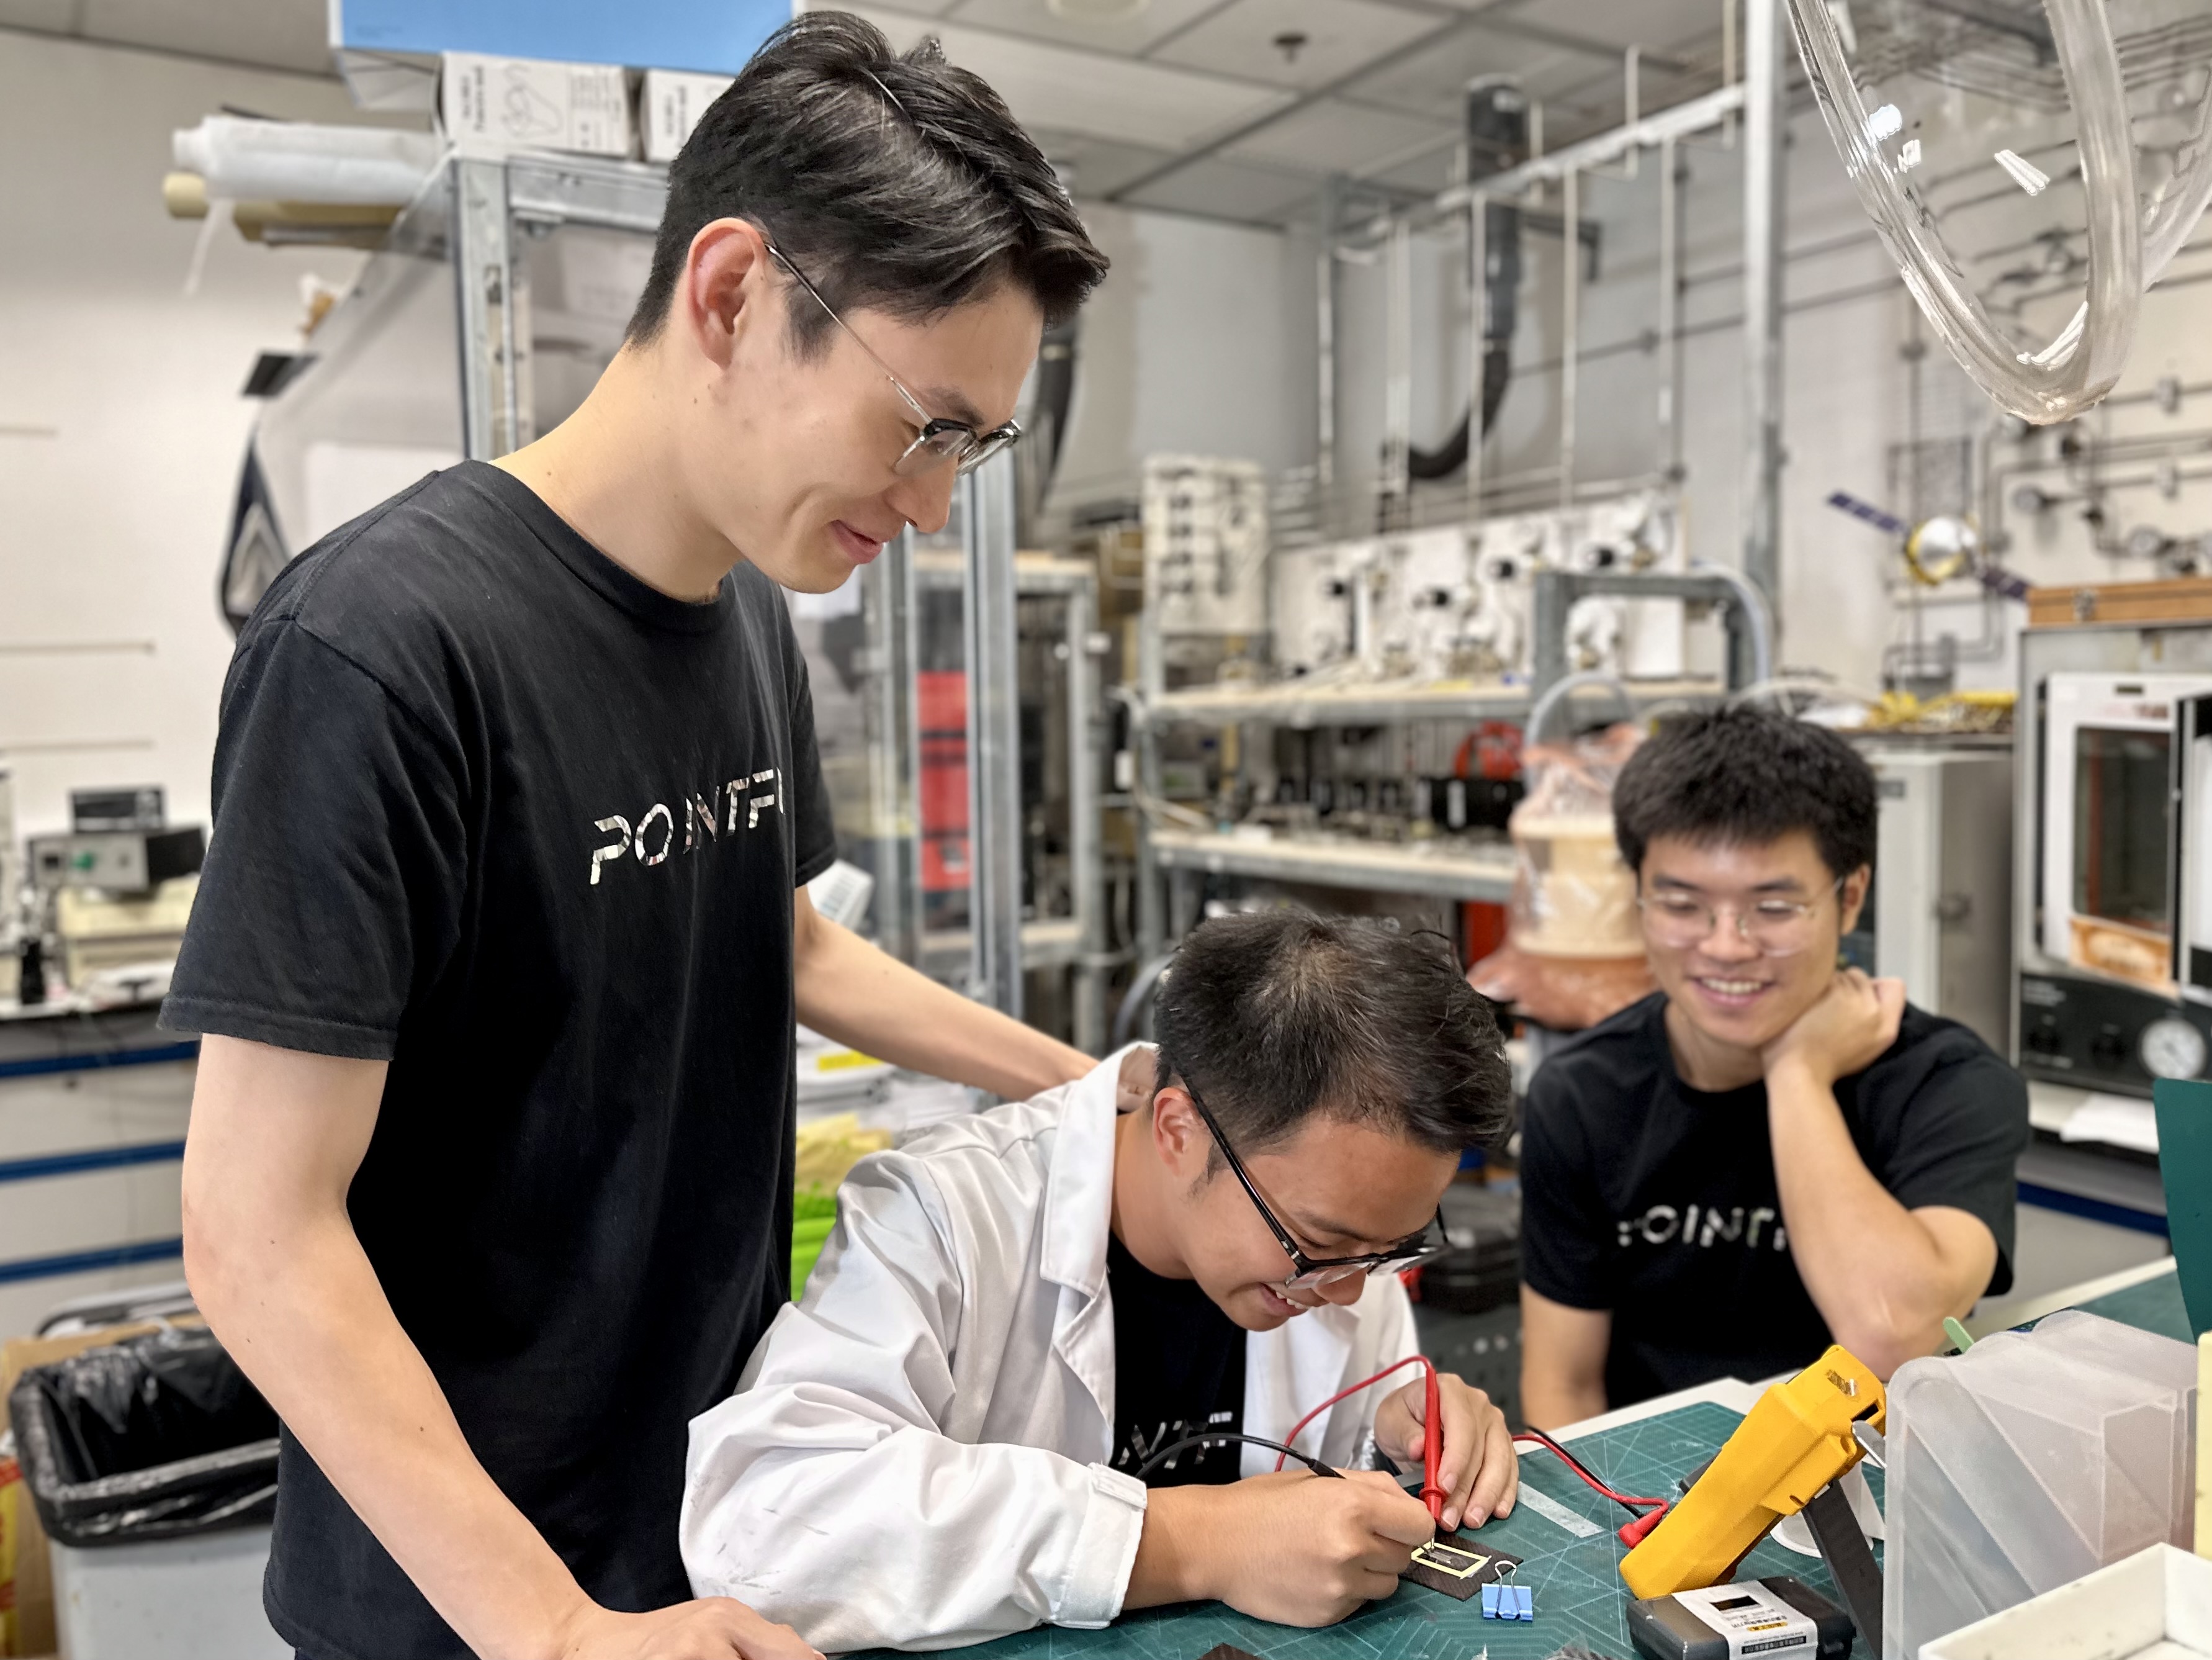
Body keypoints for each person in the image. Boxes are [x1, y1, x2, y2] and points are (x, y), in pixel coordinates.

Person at [163, 17, 1111, 1660]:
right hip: (467, 1585)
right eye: (928, 425)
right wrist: (548, 1628)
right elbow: (255, 1228)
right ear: (734, 293)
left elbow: (787, 934)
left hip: (718, 1509)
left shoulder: (748, 615)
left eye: (979, 445)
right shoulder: (381, 647)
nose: (939, 500)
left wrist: (1094, 1093)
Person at [679, 912, 1521, 1653]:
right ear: (1179, 1128)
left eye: (1391, 1250)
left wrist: (1391, 1448)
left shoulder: (1334, 1234)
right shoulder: (947, 1216)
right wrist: (1191, 1539)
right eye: (1325, 1243)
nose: (1349, 1290)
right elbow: (763, 1520)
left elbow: (1321, 1503)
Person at [1516, 705, 2030, 1428]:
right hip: (1652, 1491)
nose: (1726, 946)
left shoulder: (1947, 1084)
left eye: (1775, 907)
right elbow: (1563, 1390)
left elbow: (1892, 1333)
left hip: (1875, 1488)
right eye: (1683, 904)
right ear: (1638, 896)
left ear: (1849, 898)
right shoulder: (1583, 1094)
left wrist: (1797, 1071)